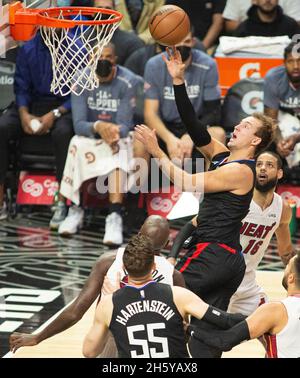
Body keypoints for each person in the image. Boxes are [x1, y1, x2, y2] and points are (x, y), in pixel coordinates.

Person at [135, 46, 276, 357]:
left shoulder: (241, 171)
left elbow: (185, 180)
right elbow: (194, 126)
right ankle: (231, 325)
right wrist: (178, 81)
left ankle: (243, 323)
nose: (236, 126)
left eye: (245, 127)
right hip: (224, 260)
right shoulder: (222, 156)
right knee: (202, 344)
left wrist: (156, 151)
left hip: (213, 255)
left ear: (254, 141)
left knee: (161, 303)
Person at [9, 215, 185, 355]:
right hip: (161, 346)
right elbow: (183, 328)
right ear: (167, 244)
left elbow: (76, 310)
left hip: (115, 338)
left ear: (138, 234)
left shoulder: (108, 261)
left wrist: (37, 337)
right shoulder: (174, 276)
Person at [168, 151, 295, 316]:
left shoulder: (282, 209)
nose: (262, 169)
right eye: (258, 164)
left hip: (247, 283)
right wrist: (172, 256)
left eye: (269, 165)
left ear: (280, 172)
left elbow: (286, 252)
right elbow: (192, 224)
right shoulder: (238, 199)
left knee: (273, 332)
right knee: (184, 319)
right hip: (220, 275)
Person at [58, 42, 139, 245]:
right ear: (89, 60)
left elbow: (125, 124)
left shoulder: (128, 81)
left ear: (115, 60)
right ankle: (74, 209)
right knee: (75, 142)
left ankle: (114, 216)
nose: (103, 60)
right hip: (91, 135)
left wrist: (111, 132)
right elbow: (78, 125)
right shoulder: (80, 79)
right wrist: (99, 126)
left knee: (120, 145)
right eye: (98, 56)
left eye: (108, 56)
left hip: (115, 137)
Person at [82, 233, 210, 358]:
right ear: (154, 267)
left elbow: (89, 352)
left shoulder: (109, 303)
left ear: (124, 267)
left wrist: (114, 300)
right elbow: (186, 336)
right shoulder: (177, 291)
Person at [0, 32, 74, 224]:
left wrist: (54, 114)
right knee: (2, 127)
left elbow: (78, 94)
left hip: (62, 107)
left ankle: (62, 201)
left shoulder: (76, 47)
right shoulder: (28, 48)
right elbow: (21, 87)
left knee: (64, 133)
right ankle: (1, 199)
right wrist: (24, 113)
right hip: (31, 105)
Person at [189, 251, 300, 358]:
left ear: (291, 278)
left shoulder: (276, 310)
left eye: (286, 267)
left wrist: (189, 329)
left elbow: (224, 341)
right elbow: (236, 320)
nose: (284, 269)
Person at [264, 42, 300, 168]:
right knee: (264, 135)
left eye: (299, 61)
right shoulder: (273, 77)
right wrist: (279, 142)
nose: (296, 66)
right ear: (284, 63)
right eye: (291, 61)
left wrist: (297, 138)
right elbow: (271, 119)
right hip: (282, 120)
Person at [93, 0, 144, 66]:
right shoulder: (82, 40)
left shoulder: (132, 43)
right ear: (92, 12)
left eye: (108, 8)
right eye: (99, 8)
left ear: (115, 12)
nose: (103, 12)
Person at [223, 0, 300, 34]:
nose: (267, 0)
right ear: (254, 1)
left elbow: (296, 52)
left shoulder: (291, 25)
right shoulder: (243, 28)